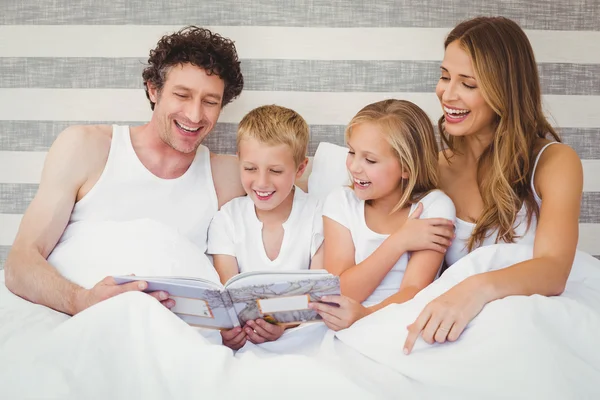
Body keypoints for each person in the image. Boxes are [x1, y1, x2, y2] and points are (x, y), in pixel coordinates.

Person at [4, 26, 246, 316]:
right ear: (153, 90)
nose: (195, 115)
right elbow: (20, 263)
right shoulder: (87, 147)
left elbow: (296, 213)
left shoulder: (229, 177)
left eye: (210, 102)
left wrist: (261, 323)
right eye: (182, 95)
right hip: (75, 318)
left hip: (165, 333)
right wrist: (80, 301)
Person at [403, 16, 583, 354]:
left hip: (526, 326)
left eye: (468, 84)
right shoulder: (434, 167)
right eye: (445, 76)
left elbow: (554, 270)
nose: (448, 93)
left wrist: (474, 290)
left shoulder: (555, 163)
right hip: (459, 332)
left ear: (505, 90)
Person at [309, 99, 456, 331]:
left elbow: (414, 291)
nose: (354, 167)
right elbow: (341, 290)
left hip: (400, 322)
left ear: (406, 167)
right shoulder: (341, 202)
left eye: (370, 160)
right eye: (352, 152)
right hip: (342, 322)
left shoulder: (434, 207)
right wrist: (399, 241)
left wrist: (365, 315)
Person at [207, 105, 324, 349]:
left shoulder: (318, 214)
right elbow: (229, 297)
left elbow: (319, 293)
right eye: (250, 169)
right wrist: (229, 331)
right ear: (239, 161)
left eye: (276, 171)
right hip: (248, 337)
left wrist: (282, 323)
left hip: (302, 336)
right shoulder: (228, 219)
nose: (261, 182)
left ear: (300, 168)